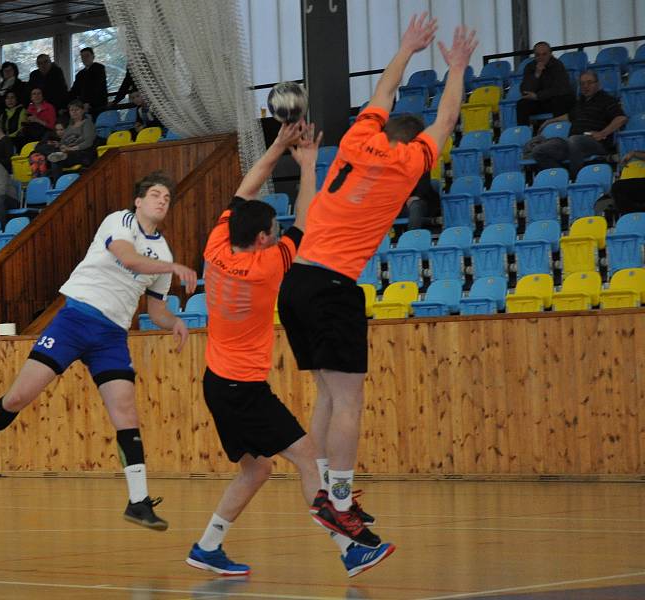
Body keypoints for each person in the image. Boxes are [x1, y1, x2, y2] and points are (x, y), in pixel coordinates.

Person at [277, 15, 476, 548]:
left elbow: (384, 89)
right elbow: (449, 117)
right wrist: (456, 66)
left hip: (293, 280)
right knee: (349, 399)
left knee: (326, 392)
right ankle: (340, 501)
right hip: (332, 284)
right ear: (413, 144)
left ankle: (321, 493)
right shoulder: (409, 162)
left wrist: (408, 48)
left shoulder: (356, 139)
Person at [186, 121, 395, 579]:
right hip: (243, 389)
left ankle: (208, 546)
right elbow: (307, 219)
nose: (279, 233)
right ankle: (350, 548)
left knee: (256, 471)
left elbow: (247, 187)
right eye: (273, 230)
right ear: (263, 239)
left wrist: (278, 145)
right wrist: (305, 166)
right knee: (306, 458)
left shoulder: (216, 245)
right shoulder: (266, 267)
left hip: (217, 384)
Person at [0, 171, 198, 532]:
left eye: (167, 197)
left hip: (112, 336)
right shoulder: (120, 221)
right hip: (75, 321)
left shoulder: (164, 253)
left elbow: (156, 310)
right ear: (139, 201)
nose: (163, 200)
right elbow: (128, 258)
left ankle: (138, 501)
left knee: (126, 411)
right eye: (156, 194)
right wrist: (172, 268)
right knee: (19, 396)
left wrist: (173, 321)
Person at [532, 70, 627, 177]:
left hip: (595, 143)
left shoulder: (607, 100)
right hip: (571, 143)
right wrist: (549, 121)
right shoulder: (580, 102)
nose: (585, 86)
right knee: (538, 151)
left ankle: (576, 178)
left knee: (574, 140)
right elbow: (570, 116)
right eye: (582, 83)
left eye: (589, 82)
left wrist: (603, 133)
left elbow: (621, 118)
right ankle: (563, 177)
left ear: (598, 84)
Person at [517, 41, 575, 127]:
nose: (541, 57)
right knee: (522, 104)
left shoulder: (557, 65)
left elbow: (559, 88)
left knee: (562, 99)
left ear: (550, 54)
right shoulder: (530, 67)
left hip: (554, 99)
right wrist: (537, 74)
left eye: (544, 54)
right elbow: (525, 91)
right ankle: (523, 134)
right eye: (538, 55)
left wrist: (537, 96)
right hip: (539, 102)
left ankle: (558, 130)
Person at [48, 99, 96, 180]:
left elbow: (88, 142)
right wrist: (60, 145)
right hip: (68, 153)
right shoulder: (70, 126)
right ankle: (59, 185)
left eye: (77, 109)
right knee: (54, 160)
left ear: (82, 110)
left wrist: (71, 148)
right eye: (71, 110)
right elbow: (63, 142)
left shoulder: (87, 123)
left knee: (59, 158)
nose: (74, 112)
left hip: (82, 153)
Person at [69, 47, 108, 116]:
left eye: (87, 56)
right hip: (84, 107)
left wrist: (89, 103)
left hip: (98, 105)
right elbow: (74, 90)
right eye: (82, 56)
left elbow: (97, 87)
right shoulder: (80, 74)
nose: (85, 58)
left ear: (93, 56)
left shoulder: (99, 68)